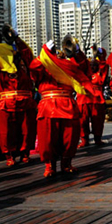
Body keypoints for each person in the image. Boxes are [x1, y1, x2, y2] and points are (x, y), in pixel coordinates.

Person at [30, 39, 96, 177]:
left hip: (67, 103)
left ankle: (66, 164)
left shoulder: (68, 66)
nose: (59, 56)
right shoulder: (44, 66)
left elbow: (84, 69)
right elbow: (34, 69)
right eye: (55, 54)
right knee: (48, 138)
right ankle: (50, 166)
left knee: (70, 137)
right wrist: (45, 51)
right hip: (48, 105)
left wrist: (77, 52)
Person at [0, 25, 38, 166]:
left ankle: (25, 153)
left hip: (25, 102)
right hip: (6, 103)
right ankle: (9, 156)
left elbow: (28, 54)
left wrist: (16, 38)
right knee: (6, 131)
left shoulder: (25, 66)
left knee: (27, 129)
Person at [77, 45, 108, 147]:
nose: (92, 67)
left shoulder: (100, 74)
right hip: (83, 99)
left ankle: (97, 139)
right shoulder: (82, 73)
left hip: (97, 100)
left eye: (95, 65)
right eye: (90, 65)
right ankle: (84, 139)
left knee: (98, 121)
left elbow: (104, 65)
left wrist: (100, 54)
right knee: (83, 120)